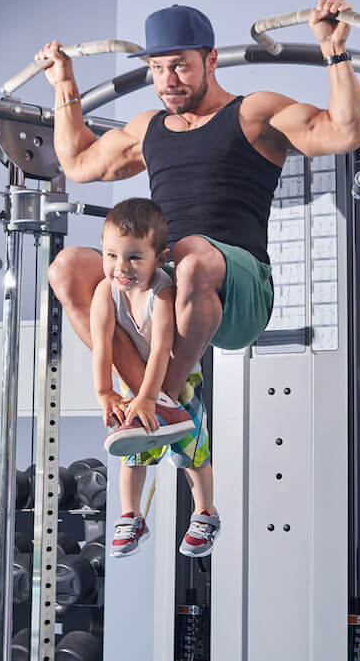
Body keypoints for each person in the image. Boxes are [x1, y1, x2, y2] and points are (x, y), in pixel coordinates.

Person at [38, 0, 360, 555]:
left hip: (239, 288)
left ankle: (160, 399)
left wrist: (334, 50)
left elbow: (346, 132)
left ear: (211, 59)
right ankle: (153, 404)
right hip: (166, 288)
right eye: (157, 67)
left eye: (180, 65)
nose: (167, 79)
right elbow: (77, 163)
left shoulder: (253, 112)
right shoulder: (149, 127)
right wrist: (63, 85)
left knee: (192, 251)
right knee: (69, 267)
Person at [92, 197, 216, 558]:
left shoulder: (161, 293)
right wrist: (105, 392)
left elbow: (163, 349)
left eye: (134, 257)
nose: (121, 267)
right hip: (135, 382)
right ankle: (131, 516)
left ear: (159, 259)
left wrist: (151, 398)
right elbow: (103, 345)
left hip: (180, 376)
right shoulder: (106, 291)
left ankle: (205, 511)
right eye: (111, 255)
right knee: (132, 452)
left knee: (191, 450)